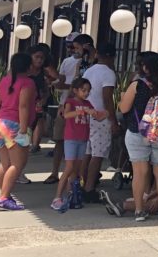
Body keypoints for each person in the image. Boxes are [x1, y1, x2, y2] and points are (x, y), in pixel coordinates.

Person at [119, 52, 158, 222]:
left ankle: (139, 211)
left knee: (140, 173)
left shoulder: (137, 85)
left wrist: (122, 97)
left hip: (138, 132)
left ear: (144, 67)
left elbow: (124, 109)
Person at [0, 53, 35, 211]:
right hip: (15, 125)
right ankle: (3, 198)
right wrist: (23, 129)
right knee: (17, 164)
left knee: (5, 163)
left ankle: (5, 195)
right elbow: (23, 106)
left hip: (0, 124)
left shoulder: (4, 80)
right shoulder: (27, 82)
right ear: (28, 66)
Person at [54, 77, 103, 212]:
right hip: (71, 138)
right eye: (83, 90)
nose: (86, 93)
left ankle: (71, 195)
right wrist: (83, 111)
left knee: (76, 169)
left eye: (88, 91)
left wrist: (102, 113)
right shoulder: (70, 102)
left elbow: (97, 116)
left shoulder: (88, 103)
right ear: (75, 90)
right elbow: (66, 115)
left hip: (83, 139)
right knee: (69, 167)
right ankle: (57, 197)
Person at [45, 34, 85, 183]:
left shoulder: (86, 63)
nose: (72, 49)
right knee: (59, 139)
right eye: (69, 46)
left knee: (80, 142)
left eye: (75, 46)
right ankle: (55, 172)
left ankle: (77, 176)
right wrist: (54, 81)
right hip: (64, 103)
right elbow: (61, 80)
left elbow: (79, 85)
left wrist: (69, 87)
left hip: (79, 106)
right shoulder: (67, 61)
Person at [81, 41, 118, 203]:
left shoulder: (89, 70)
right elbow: (107, 97)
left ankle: (82, 184)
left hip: (86, 113)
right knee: (98, 154)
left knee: (88, 152)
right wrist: (113, 121)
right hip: (100, 116)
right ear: (111, 57)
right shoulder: (108, 73)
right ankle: (90, 188)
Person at [27, 43, 59, 157]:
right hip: (25, 101)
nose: (39, 60)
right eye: (37, 57)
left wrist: (44, 98)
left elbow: (54, 80)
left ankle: (35, 145)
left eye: (42, 58)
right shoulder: (24, 70)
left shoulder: (44, 71)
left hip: (38, 102)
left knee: (39, 120)